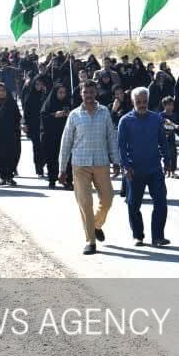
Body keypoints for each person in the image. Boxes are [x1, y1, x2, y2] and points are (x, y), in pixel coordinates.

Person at [59, 81, 121, 256]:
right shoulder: (74, 115)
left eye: (92, 92)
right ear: (81, 94)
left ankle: (96, 225)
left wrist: (116, 161)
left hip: (101, 162)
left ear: (96, 93)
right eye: (85, 92)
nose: (89, 95)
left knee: (108, 199)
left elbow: (111, 137)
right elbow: (66, 143)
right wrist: (62, 169)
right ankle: (90, 241)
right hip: (80, 164)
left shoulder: (104, 113)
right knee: (85, 203)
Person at [118, 87, 169, 247]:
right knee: (133, 204)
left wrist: (167, 160)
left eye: (144, 102)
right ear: (133, 102)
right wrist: (126, 166)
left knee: (160, 202)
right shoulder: (125, 121)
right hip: (135, 170)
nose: (141, 105)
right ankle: (138, 236)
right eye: (138, 102)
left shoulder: (156, 119)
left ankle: (158, 237)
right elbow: (121, 146)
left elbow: (163, 141)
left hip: (154, 169)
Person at [41, 83, 73, 190]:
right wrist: (54, 115)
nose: (62, 95)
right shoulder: (49, 103)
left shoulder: (68, 102)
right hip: (51, 136)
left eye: (64, 92)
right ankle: (52, 180)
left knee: (68, 159)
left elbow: (76, 116)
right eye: (60, 92)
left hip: (66, 136)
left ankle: (67, 181)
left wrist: (69, 115)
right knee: (52, 158)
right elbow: (43, 116)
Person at [21, 74, 48, 178]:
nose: (39, 86)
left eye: (41, 84)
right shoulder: (30, 97)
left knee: (45, 147)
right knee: (37, 147)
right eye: (37, 84)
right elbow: (26, 112)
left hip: (44, 125)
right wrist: (25, 124)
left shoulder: (45, 95)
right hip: (34, 126)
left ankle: (43, 163)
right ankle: (39, 169)